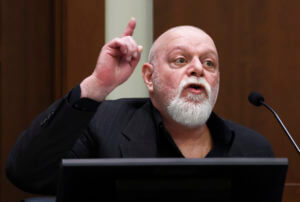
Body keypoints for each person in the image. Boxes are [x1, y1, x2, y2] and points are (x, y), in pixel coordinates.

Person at [6, 18, 274, 195]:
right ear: (149, 77)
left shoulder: (253, 149)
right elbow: (27, 173)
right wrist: (96, 86)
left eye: (209, 63)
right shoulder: (103, 126)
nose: (197, 69)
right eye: (181, 60)